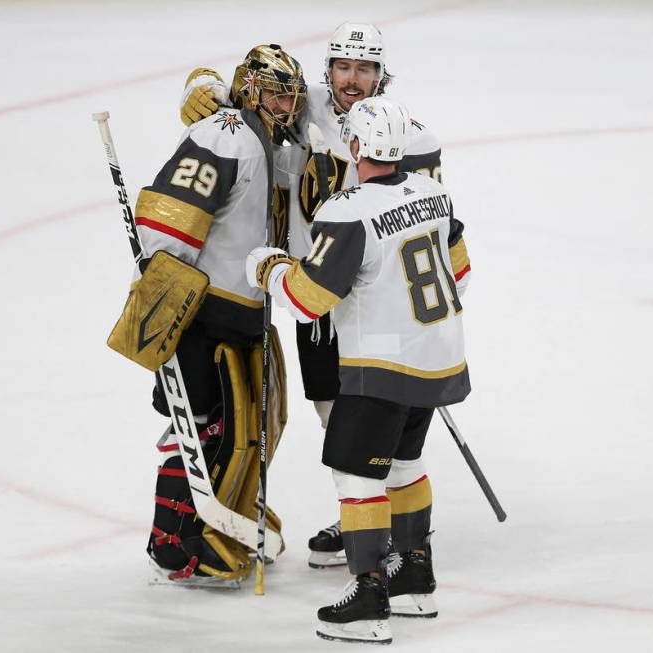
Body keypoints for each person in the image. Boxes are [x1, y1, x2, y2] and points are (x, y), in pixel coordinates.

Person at [179, 22, 451, 569]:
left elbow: (433, 221)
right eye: (344, 67)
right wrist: (200, 87)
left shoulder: (409, 136)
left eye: (366, 69)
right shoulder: (304, 103)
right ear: (328, 69)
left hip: (376, 301)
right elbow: (236, 87)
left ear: (381, 74)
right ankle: (361, 514)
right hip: (318, 291)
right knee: (335, 411)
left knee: (383, 416)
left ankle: (392, 531)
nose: (353, 80)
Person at [245, 97, 472, 643]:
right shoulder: (435, 194)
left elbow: (308, 301)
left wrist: (268, 266)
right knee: (404, 466)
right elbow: (459, 273)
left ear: (355, 147)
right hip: (437, 359)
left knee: (357, 477)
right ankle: (415, 579)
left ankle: (369, 595)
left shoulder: (346, 209)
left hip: (381, 365)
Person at [131, 44, 307, 587]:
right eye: (277, 94)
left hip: (246, 311)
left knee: (252, 425)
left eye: (292, 96)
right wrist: (163, 296)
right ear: (252, 88)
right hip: (203, 311)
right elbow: (168, 217)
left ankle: (229, 519)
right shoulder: (225, 134)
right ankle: (175, 541)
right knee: (201, 427)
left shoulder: (270, 138)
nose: (287, 106)